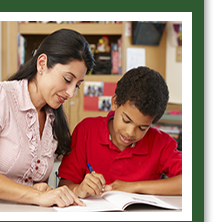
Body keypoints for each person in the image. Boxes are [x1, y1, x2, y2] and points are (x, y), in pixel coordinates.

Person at [0, 29, 94, 207]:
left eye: (77, 85)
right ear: (42, 64)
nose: (71, 93)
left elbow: (39, 189)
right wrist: (36, 195)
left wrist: (48, 191)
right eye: (67, 79)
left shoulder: (53, 120)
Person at [58, 66, 182, 198]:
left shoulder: (160, 143)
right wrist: (78, 189)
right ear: (115, 102)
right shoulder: (86, 131)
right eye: (126, 120)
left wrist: (134, 187)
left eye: (142, 128)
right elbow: (64, 186)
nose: (130, 132)